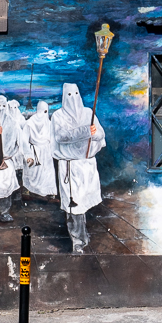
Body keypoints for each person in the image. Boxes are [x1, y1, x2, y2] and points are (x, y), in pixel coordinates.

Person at [51, 83, 105, 253]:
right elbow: (61, 136)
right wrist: (85, 131)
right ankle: (77, 241)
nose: (73, 98)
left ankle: (81, 234)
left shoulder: (88, 113)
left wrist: (94, 133)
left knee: (82, 203)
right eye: (69, 95)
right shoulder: (58, 116)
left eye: (75, 94)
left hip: (86, 166)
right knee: (73, 206)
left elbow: (101, 134)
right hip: (70, 166)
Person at [22, 101, 57, 197]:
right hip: (33, 151)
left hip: (46, 152)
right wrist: (28, 155)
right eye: (42, 111)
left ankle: (49, 193)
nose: (43, 114)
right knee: (32, 173)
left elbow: (53, 139)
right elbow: (24, 141)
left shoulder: (49, 124)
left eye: (45, 111)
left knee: (47, 173)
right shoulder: (29, 123)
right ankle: (28, 191)